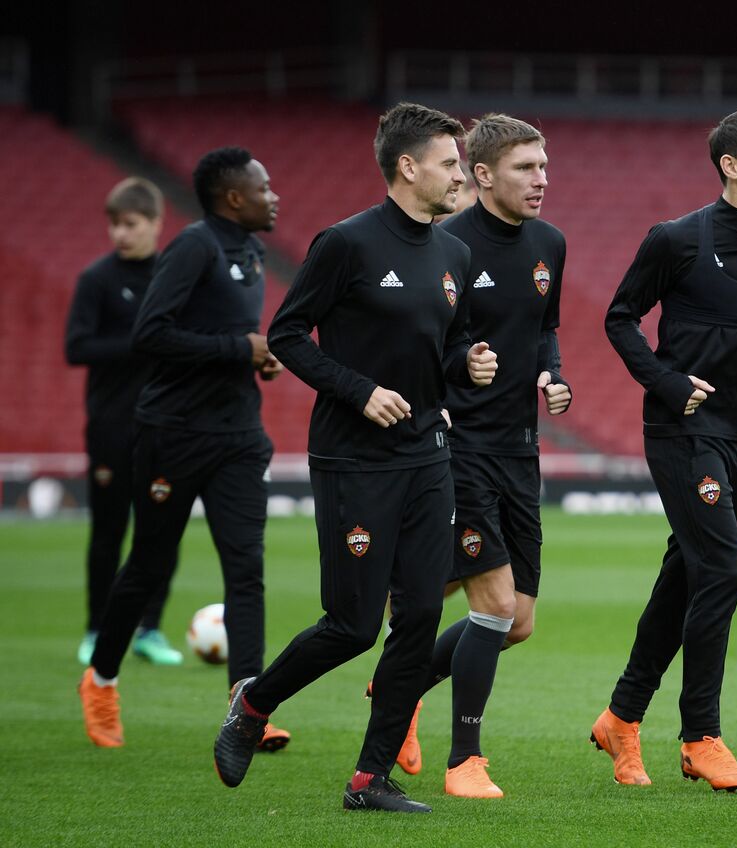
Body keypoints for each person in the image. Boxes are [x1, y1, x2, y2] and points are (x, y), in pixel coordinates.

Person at [213, 102, 497, 814]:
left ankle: (371, 779)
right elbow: (287, 334)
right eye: (449, 164)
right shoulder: (346, 244)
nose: (458, 176)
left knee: (420, 618)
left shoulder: (455, 254)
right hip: (353, 460)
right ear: (408, 167)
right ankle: (254, 706)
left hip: (429, 455)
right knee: (352, 624)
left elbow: (449, 346)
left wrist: (472, 364)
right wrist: (361, 390)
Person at [592, 110, 737, 792]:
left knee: (689, 571)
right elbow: (619, 316)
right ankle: (700, 736)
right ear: (731, 165)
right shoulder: (676, 240)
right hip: (681, 431)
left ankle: (621, 716)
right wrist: (666, 383)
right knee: (724, 571)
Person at [382, 113, 569, 799]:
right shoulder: (446, 245)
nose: (541, 179)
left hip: (521, 451)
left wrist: (552, 374)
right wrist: (463, 365)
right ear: (482, 175)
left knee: (517, 622)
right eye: (526, 168)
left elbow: (545, 331)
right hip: (460, 450)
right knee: (491, 603)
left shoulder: (551, 243)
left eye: (544, 166)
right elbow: (420, 345)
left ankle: (396, 685)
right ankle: (465, 760)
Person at [79, 149, 286, 751]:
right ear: (233, 198)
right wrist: (236, 349)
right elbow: (151, 334)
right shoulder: (195, 247)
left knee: (246, 569)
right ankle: (101, 680)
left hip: (239, 436)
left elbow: (231, 341)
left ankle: (247, 708)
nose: (274, 195)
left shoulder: (250, 252)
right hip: (172, 434)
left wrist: (259, 357)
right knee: (147, 565)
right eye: (264, 186)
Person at [65, 177, 182, 668]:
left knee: (161, 531)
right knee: (109, 531)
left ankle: (149, 629)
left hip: (165, 425)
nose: (120, 233)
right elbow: (77, 348)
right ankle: (96, 629)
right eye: (114, 224)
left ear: (155, 224)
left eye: (130, 224)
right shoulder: (97, 279)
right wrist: (144, 339)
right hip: (112, 426)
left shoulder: (172, 275)